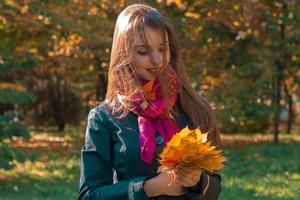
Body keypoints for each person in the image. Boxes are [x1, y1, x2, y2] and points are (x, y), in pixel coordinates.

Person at [78, 4, 221, 200]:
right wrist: (148, 188)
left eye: (163, 49)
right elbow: (89, 195)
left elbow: (215, 189)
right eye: (143, 52)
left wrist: (198, 181)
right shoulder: (105, 116)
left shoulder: (195, 108)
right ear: (124, 54)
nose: (157, 60)